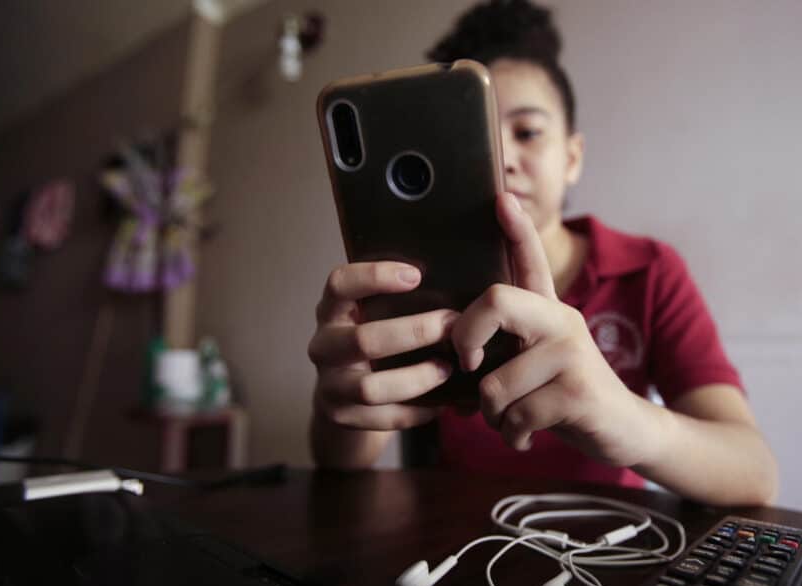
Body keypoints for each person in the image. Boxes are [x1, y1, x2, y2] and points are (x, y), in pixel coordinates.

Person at [307, 0, 778, 506]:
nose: (503, 158)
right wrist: (343, 399)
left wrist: (625, 418)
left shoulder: (649, 272)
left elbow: (755, 474)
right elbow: (339, 462)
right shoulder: (410, 277)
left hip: (606, 549)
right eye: (478, 136)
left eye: (527, 132)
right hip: (447, 552)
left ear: (572, 157)